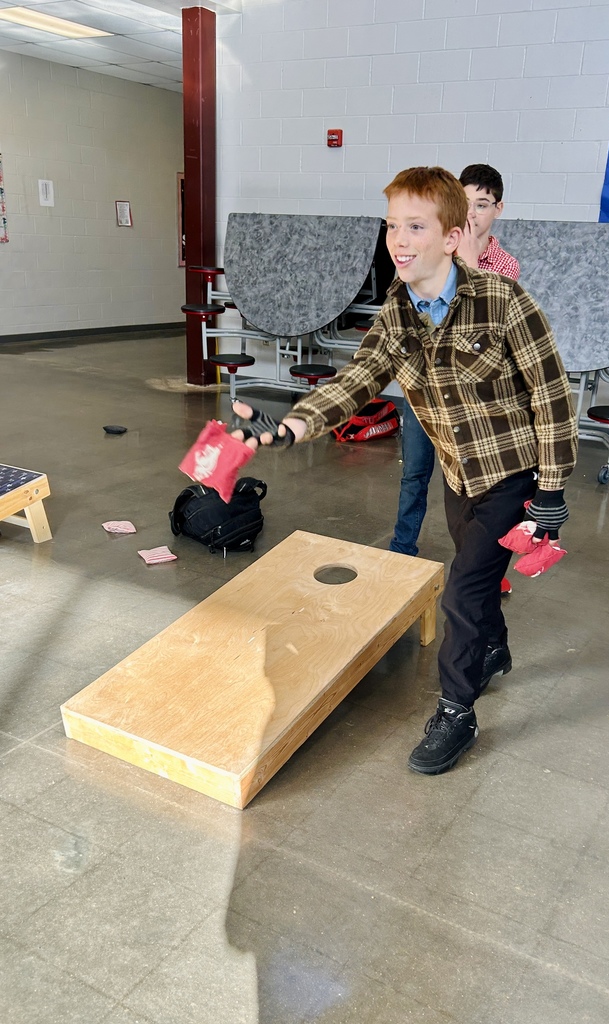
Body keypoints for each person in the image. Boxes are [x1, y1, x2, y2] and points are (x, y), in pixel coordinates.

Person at [230, 166, 577, 776]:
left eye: (415, 225)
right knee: (479, 576)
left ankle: (456, 709)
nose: (399, 239)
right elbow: (356, 381)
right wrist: (293, 424)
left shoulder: (503, 303)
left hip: (512, 472)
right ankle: (492, 649)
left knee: (465, 589)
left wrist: (551, 491)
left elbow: (550, 397)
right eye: (392, 226)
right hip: (458, 475)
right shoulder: (396, 313)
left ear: (451, 235)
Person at [388, 164, 519, 605]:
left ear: (497, 209)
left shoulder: (504, 265)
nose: (472, 214)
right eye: (465, 204)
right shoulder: (429, 255)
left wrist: (465, 262)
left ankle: (480, 568)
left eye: (482, 205)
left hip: (475, 401)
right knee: (415, 473)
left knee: (473, 491)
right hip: (425, 389)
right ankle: (402, 550)